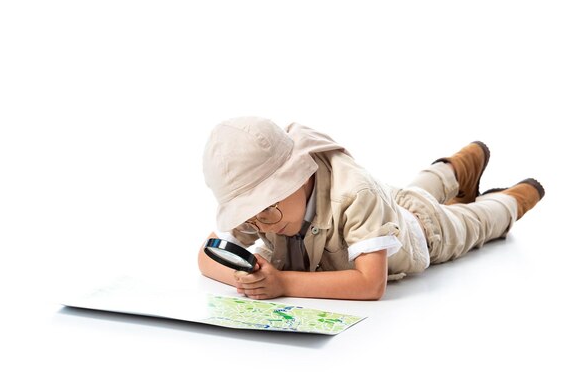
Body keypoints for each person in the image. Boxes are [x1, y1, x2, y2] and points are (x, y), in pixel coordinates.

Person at [197, 117, 544, 300]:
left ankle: (511, 199)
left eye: (265, 211)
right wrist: (251, 282)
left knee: (471, 222)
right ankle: (455, 169)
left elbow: (370, 283)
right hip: (386, 205)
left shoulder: (355, 193)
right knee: (412, 190)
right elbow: (206, 255)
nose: (262, 225)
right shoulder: (264, 211)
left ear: (299, 177)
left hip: (422, 232)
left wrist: (282, 284)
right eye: (251, 216)